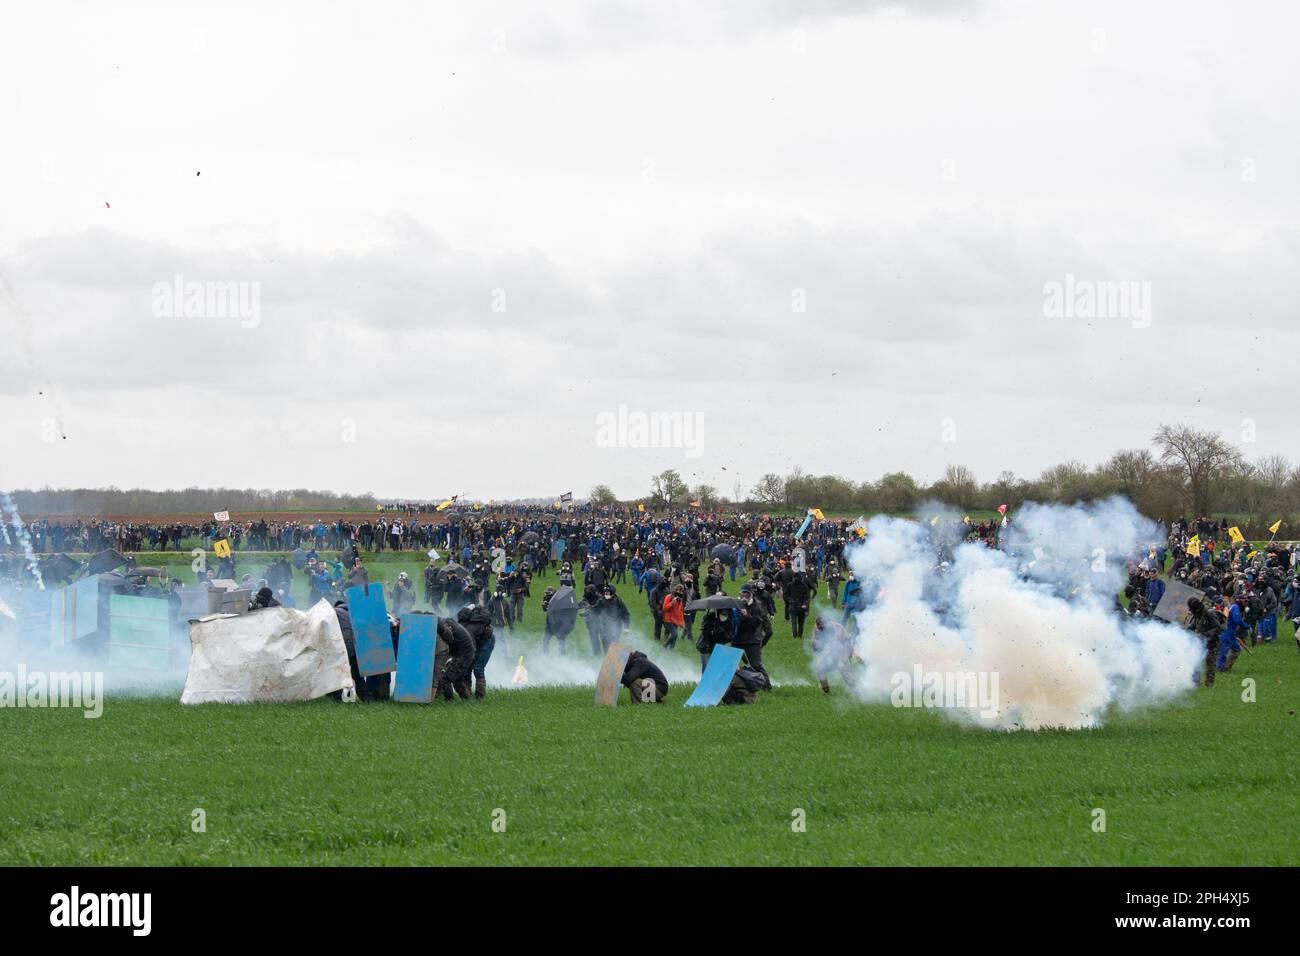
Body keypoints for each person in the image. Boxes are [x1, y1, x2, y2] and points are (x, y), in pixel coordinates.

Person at [457, 603, 496, 699]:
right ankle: (467, 695)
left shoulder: (467, 631)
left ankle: (480, 697)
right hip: (477, 640)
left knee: (478, 668)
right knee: (467, 668)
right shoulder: (462, 627)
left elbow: (471, 648)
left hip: (487, 641)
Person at [437, 616, 476, 701]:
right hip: (467, 654)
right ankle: (467, 700)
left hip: (463, 656)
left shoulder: (445, 627)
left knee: (445, 679)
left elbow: (449, 639)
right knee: (457, 681)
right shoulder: (450, 624)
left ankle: (449, 701)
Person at [1186, 597, 1221, 687]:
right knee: (1196, 661)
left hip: (1212, 643)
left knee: (1210, 665)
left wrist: (1205, 635)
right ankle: (1194, 684)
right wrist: (1185, 629)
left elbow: (1218, 628)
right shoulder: (1197, 613)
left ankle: (1209, 685)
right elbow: (1194, 625)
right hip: (1201, 642)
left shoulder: (1209, 613)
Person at [661, 584, 686, 649]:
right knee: (675, 634)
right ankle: (664, 645)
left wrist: (681, 623)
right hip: (668, 620)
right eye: (678, 590)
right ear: (675, 590)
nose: (680, 592)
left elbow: (680, 612)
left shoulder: (680, 600)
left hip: (675, 621)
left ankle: (670, 652)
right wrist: (672, 602)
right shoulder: (669, 597)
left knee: (674, 639)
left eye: (681, 591)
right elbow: (664, 608)